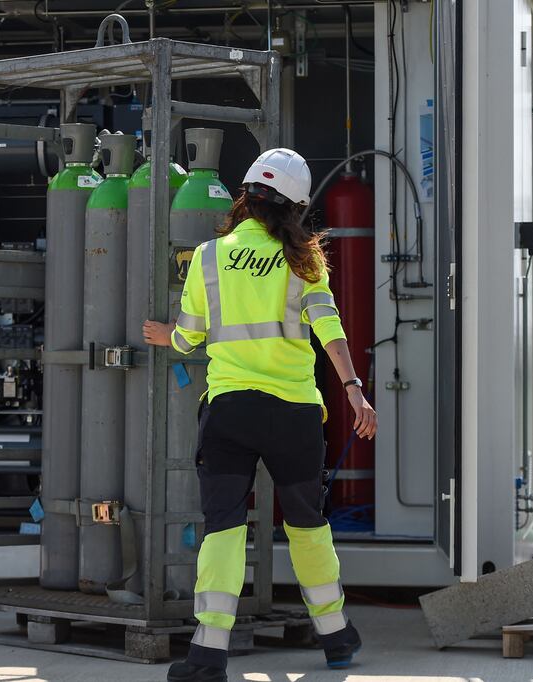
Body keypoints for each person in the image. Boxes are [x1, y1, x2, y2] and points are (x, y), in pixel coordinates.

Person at [143, 148, 377, 682]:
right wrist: (355, 391)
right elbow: (330, 329)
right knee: (308, 527)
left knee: (224, 528)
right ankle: (336, 635)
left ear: (245, 196)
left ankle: (208, 654)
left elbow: (189, 335)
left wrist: (165, 337)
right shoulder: (306, 261)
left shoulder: (207, 256)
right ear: (296, 207)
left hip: (231, 412)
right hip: (294, 415)